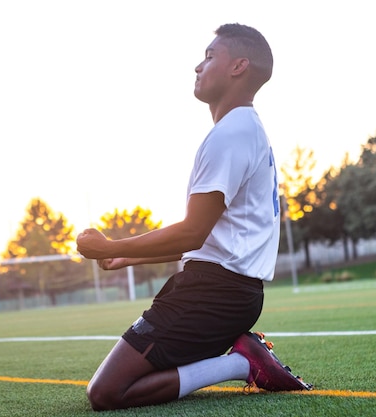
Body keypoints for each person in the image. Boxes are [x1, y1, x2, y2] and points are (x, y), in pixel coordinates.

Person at [76, 23, 312, 411]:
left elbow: (192, 232)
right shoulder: (245, 129)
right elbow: (210, 237)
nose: (198, 67)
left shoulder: (231, 133)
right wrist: (130, 257)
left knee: (106, 393)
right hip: (225, 292)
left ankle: (241, 363)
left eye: (209, 56)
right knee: (127, 381)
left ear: (238, 66)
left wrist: (109, 245)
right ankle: (240, 358)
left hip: (211, 295)